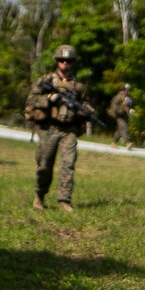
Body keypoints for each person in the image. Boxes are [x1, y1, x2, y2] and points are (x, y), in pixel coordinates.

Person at [24, 44, 92, 211]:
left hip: (69, 130)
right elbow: (30, 102)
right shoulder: (45, 81)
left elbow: (87, 104)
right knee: (44, 166)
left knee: (68, 164)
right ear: (57, 61)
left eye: (68, 61)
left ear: (72, 63)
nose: (65, 63)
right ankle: (39, 196)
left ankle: (64, 200)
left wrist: (86, 111)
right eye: (62, 60)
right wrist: (49, 98)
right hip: (49, 128)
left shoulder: (78, 86)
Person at [109, 83, 134, 149]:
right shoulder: (118, 97)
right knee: (124, 127)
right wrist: (120, 111)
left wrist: (129, 110)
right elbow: (114, 107)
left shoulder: (126, 98)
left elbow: (127, 107)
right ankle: (128, 142)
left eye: (128, 90)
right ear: (123, 90)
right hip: (118, 115)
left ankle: (114, 142)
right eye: (127, 90)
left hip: (124, 116)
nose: (128, 92)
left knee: (119, 130)